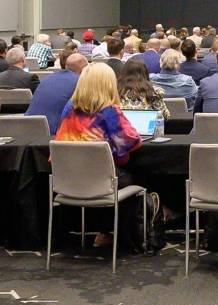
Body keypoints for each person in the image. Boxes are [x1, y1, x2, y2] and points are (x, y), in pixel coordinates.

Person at [54, 62, 151, 250]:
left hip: (67, 181)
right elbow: (132, 141)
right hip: (100, 181)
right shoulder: (110, 111)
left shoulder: (69, 109)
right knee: (133, 177)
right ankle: (119, 235)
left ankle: (100, 232)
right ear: (108, 84)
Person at [27, 53, 87, 133]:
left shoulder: (47, 78)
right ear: (83, 69)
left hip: (27, 128)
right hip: (53, 133)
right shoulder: (80, 82)